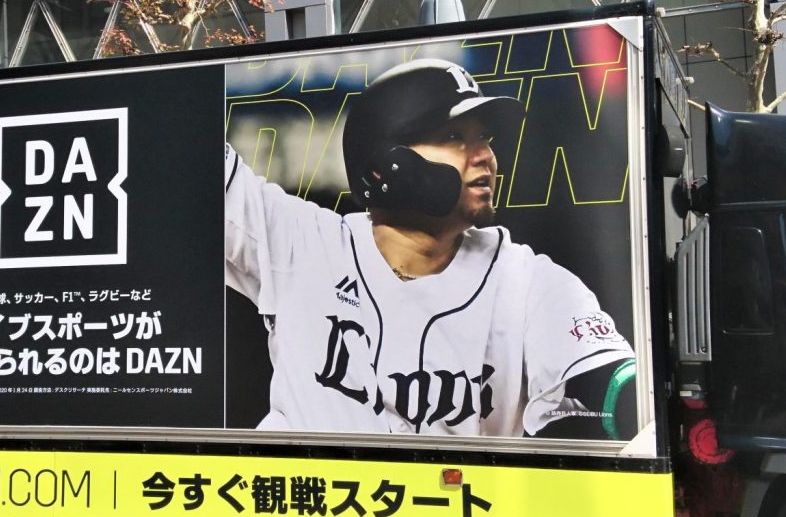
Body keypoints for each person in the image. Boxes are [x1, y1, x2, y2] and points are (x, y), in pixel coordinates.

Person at [224, 57, 636, 440]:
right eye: (454, 137)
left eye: (484, 138)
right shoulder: (303, 242)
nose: (485, 156)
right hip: (309, 492)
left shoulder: (527, 282)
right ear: (381, 166)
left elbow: (610, 387)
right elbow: (203, 163)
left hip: (451, 495)